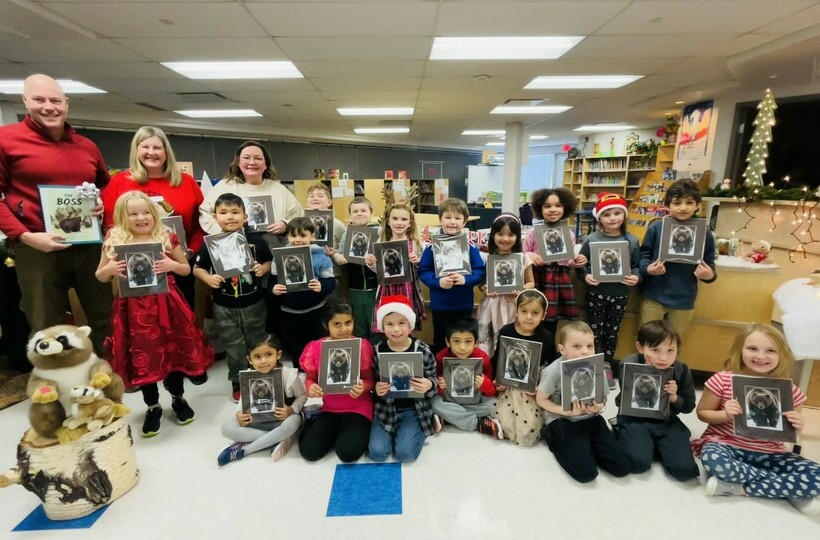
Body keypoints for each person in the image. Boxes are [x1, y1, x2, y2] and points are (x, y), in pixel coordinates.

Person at [0, 74, 112, 356]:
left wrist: (100, 204)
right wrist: (25, 236)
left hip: (89, 245)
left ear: (66, 104)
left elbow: (104, 185)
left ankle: (108, 380)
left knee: (105, 318)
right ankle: (56, 388)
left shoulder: (86, 146)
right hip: (38, 248)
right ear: (25, 101)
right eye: (39, 100)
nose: (49, 107)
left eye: (55, 100)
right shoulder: (6, 140)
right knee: (46, 325)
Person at [96, 191, 212, 436]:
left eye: (146, 212)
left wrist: (171, 265)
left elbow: (184, 269)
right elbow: (100, 275)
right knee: (143, 357)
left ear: (154, 213)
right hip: (133, 310)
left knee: (173, 351)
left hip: (167, 305)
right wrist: (109, 269)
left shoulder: (165, 236)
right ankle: (153, 405)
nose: (141, 217)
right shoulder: (114, 239)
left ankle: (178, 398)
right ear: (122, 217)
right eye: (133, 213)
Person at [692, 323, 820, 515]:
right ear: (740, 350)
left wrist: (797, 427)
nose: (760, 356)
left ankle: (741, 488)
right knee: (714, 460)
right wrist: (724, 414)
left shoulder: (790, 392)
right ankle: (786, 487)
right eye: (752, 348)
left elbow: (787, 435)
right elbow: (702, 413)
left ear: (782, 355)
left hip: (771, 453)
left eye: (770, 351)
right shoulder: (723, 379)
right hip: (726, 446)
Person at [199, 141, 303, 335]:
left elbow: (298, 215)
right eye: (246, 158)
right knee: (246, 297)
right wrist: (223, 236)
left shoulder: (278, 189)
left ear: (266, 164)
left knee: (273, 298)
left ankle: (271, 345)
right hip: (235, 256)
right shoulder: (225, 186)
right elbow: (206, 212)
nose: (251, 162)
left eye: (258, 158)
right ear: (238, 162)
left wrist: (285, 223)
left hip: (271, 254)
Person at [101, 126, 205, 309]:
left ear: (166, 151)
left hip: (178, 264)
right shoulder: (119, 182)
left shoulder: (186, 181)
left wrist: (191, 252)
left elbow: (202, 223)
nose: (151, 153)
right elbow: (110, 224)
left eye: (157, 148)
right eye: (145, 147)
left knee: (182, 314)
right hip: (135, 268)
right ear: (136, 150)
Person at [194, 193, 272, 401]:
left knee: (257, 339)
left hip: (254, 303)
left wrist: (262, 269)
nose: (230, 217)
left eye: (235, 212)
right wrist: (209, 278)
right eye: (224, 212)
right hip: (224, 306)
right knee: (233, 344)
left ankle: (261, 373)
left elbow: (269, 262)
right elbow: (197, 268)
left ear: (245, 217)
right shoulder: (210, 244)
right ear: (215, 216)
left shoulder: (256, 241)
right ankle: (238, 380)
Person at [536, 321, 630, 483]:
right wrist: (563, 411)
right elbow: (541, 399)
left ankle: (588, 446)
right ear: (562, 349)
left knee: (622, 468)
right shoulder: (552, 371)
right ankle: (553, 437)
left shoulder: (596, 366)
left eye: (589, 346)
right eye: (577, 346)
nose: (585, 352)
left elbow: (603, 397)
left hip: (591, 418)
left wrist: (599, 406)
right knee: (586, 474)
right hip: (563, 420)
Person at [614, 320, 698, 481]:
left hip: (667, 421)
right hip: (635, 420)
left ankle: (658, 445)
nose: (663, 357)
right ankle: (631, 437)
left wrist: (674, 397)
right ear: (640, 347)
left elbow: (688, 406)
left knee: (685, 471)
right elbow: (624, 400)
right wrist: (644, 372)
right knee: (638, 464)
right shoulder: (629, 364)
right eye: (655, 349)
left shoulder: (681, 370)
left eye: (670, 350)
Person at [298, 300, 374, 462]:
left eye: (348, 323)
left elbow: (370, 380)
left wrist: (363, 386)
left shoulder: (361, 346)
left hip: (358, 408)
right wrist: (311, 388)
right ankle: (310, 423)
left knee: (347, 453)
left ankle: (353, 431)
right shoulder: (316, 348)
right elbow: (310, 378)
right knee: (310, 452)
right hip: (330, 409)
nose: (344, 329)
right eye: (337, 324)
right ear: (327, 325)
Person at [639, 179, 717, 336]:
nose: (683, 208)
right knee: (647, 339)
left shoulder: (704, 233)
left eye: (689, 202)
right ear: (667, 205)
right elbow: (644, 254)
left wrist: (709, 275)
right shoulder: (656, 228)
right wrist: (647, 269)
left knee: (673, 342)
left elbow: (709, 263)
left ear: (697, 205)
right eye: (677, 203)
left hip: (684, 300)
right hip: (654, 296)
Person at [217, 335, 306, 466]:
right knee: (226, 428)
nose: (263, 361)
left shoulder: (289, 375)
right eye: (257, 357)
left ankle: (244, 450)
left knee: (295, 422)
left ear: (278, 354)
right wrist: (238, 414)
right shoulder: (248, 375)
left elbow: (302, 396)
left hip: (281, 421)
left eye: (269, 354)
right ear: (250, 360)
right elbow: (243, 400)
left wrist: (291, 410)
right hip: (257, 422)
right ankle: (277, 438)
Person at [369, 295, 437, 463]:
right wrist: (375, 389)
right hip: (385, 408)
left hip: (413, 409)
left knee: (405, 455)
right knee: (377, 453)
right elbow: (372, 383)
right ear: (382, 326)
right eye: (389, 324)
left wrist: (428, 384)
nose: (396, 329)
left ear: (410, 325)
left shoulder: (422, 350)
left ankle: (420, 428)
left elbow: (434, 379)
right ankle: (395, 434)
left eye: (401, 323)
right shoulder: (377, 351)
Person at [577, 193, 640, 372]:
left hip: (620, 295)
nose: (612, 218)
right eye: (606, 214)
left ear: (624, 215)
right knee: (593, 332)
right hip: (596, 294)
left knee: (612, 332)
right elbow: (581, 264)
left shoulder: (632, 240)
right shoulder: (591, 239)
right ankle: (592, 364)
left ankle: (607, 365)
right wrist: (586, 275)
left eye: (617, 213)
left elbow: (636, 265)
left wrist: (636, 276)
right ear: (599, 218)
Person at [419, 198, 486, 354]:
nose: (452, 222)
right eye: (448, 217)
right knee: (441, 340)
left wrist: (466, 279)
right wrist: (438, 282)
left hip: (462, 305)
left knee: (462, 340)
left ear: (464, 222)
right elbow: (423, 271)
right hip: (440, 306)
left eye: (457, 218)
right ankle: (440, 372)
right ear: (440, 219)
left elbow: (480, 271)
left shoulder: (470, 248)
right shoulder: (431, 248)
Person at [492, 290, 557, 446]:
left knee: (533, 424)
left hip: (533, 384)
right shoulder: (506, 331)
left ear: (543, 315)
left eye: (535, 313)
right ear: (516, 312)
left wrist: (540, 387)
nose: (529, 317)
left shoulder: (546, 336)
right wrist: (496, 379)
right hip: (509, 381)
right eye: (524, 311)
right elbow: (498, 357)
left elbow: (553, 365)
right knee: (506, 416)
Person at [272, 217, 336, 369]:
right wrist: (274, 289)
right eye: (293, 236)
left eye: (302, 235)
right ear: (288, 236)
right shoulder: (279, 256)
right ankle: (299, 372)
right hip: (290, 311)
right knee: (295, 344)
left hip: (315, 309)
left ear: (312, 236)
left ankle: (318, 373)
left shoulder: (322, 257)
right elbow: (273, 281)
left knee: (317, 343)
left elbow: (331, 282)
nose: (297, 240)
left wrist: (322, 285)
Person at [523, 188, 587, 337]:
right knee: (534, 315)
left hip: (559, 280)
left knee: (552, 321)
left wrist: (577, 261)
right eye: (547, 206)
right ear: (540, 208)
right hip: (539, 277)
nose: (553, 210)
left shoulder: (569, 233)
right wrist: (531, 255)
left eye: (558, 205)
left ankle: (548, 352)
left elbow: (568, 260)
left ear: (565, 207)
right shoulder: (533, 232)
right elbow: (523, 253)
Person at [432, 318, 501, 438]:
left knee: (496, 404)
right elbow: (435, 387)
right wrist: (440, 385)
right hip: (450, 399)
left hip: (474, 400)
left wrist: (485, 384)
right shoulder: (440, 357)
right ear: (448, 342)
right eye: (456, 341)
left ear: (476, 343)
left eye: (468, 341)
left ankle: (449, 418)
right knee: (433, 402)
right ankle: (477, 423)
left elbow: (492, 392)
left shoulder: (483, 358)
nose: (462, 347)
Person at [477, 213, 534, 357]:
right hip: (491, 306)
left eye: (511, 234)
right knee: (487, 344)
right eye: (500, 234)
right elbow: (482, 284)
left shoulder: (523, 258)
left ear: (517, 236)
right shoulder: (487, 258)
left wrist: (520, 290)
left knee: (510, 341)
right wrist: (485, 289)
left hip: (512, 305)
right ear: (493, 235)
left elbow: (531, 283)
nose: (505, 239)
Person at [368, 203, 426, 335]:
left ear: (410, 223)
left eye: (404, 219)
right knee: (388, 321)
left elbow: (422, 269)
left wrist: (418, 262)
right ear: (388, 221)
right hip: (386, 289)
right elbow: (379, 271)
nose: (399, 223)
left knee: (407, 323)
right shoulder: (380, 242)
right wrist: (371, 263)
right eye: (395, 218)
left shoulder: (416, 244)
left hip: (408, 289)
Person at [331, 196, 380, 340]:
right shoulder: (347, 234)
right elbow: (340, 253)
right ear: (350, 215)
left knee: (375, 324)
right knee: (358, 324)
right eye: (355, 211)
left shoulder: (378, 233)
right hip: (354, 287)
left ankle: (376, 354)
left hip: (374, 288)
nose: (359, 213)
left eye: (364, 210)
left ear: (371, 213)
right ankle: (362, 352)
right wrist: (336, 256)